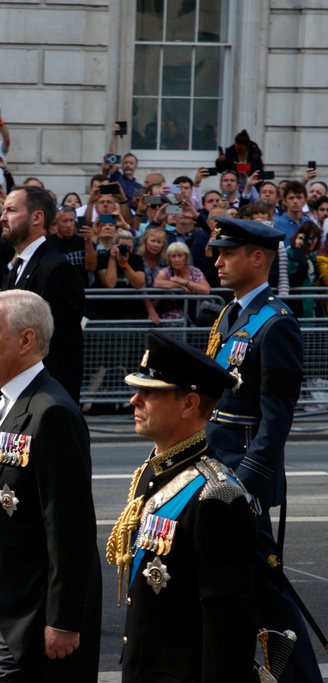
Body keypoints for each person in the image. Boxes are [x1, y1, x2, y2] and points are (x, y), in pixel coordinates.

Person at [0, 289, 102, 681]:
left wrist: (65, 618)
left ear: (26, 340)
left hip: (26, 606)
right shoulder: (9, 400)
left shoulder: (50, 412)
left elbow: (69, 526)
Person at [204, 216, 319, 683]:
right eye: (217, 252)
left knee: (266, 592)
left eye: (227, 253)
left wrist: (246, 484)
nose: (217, 261)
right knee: (231, 585)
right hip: (212, 468)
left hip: (240, 482)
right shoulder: (230, 313)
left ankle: (301, 679)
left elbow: (276, 419)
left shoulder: (276, 323)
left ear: (258, 259)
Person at [109, 330, 255, 682]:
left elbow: (227, 630)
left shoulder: (216, 497)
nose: (134, 400)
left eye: (150, 392)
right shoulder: (152, 471)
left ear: (189, 404)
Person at [0, 186, 85, 402]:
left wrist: (53, 404)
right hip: (17, 392)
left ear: (37, 217)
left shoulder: (57, 269)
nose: (2, 218)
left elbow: (61, 348)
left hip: (43, 400)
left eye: (10, 210)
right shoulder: (16, 267)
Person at [153, 241, 210, 321]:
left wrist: (184, 282)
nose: (177, 260)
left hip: (194, 315)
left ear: (186, 257)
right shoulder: (166, 271)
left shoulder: (195, 271)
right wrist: (178, 285)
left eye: (180, 256)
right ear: (169, 258)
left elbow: (206, 290)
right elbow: (157, 283)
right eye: (173, 256)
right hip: (171, 317)